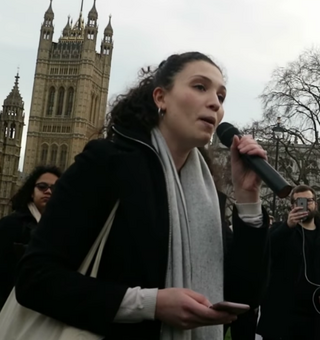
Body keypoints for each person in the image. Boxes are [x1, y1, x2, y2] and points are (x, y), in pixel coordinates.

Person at [15, 52, 269, 340]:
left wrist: (248, 200)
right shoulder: (107, 163)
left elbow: (244, 295)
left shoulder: (206, 194)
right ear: (160, 97)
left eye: (221, 97)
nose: (215, 103)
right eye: (200, 87)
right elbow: (34, 279)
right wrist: (150, 304)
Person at [257, 184, 320, 340]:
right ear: (293, 206)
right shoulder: (282, 230)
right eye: (300, 202)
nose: (305, 205)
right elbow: (266, 251)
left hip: (314, 315)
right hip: (284, 315)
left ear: (315, 204)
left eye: (309, 200)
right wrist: (288, 226)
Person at [0, 165, 61, 310]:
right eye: (42, 186)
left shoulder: (64, 231)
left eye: (55, 188)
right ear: (31, 193)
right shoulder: (11, 224)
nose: (48, 191)